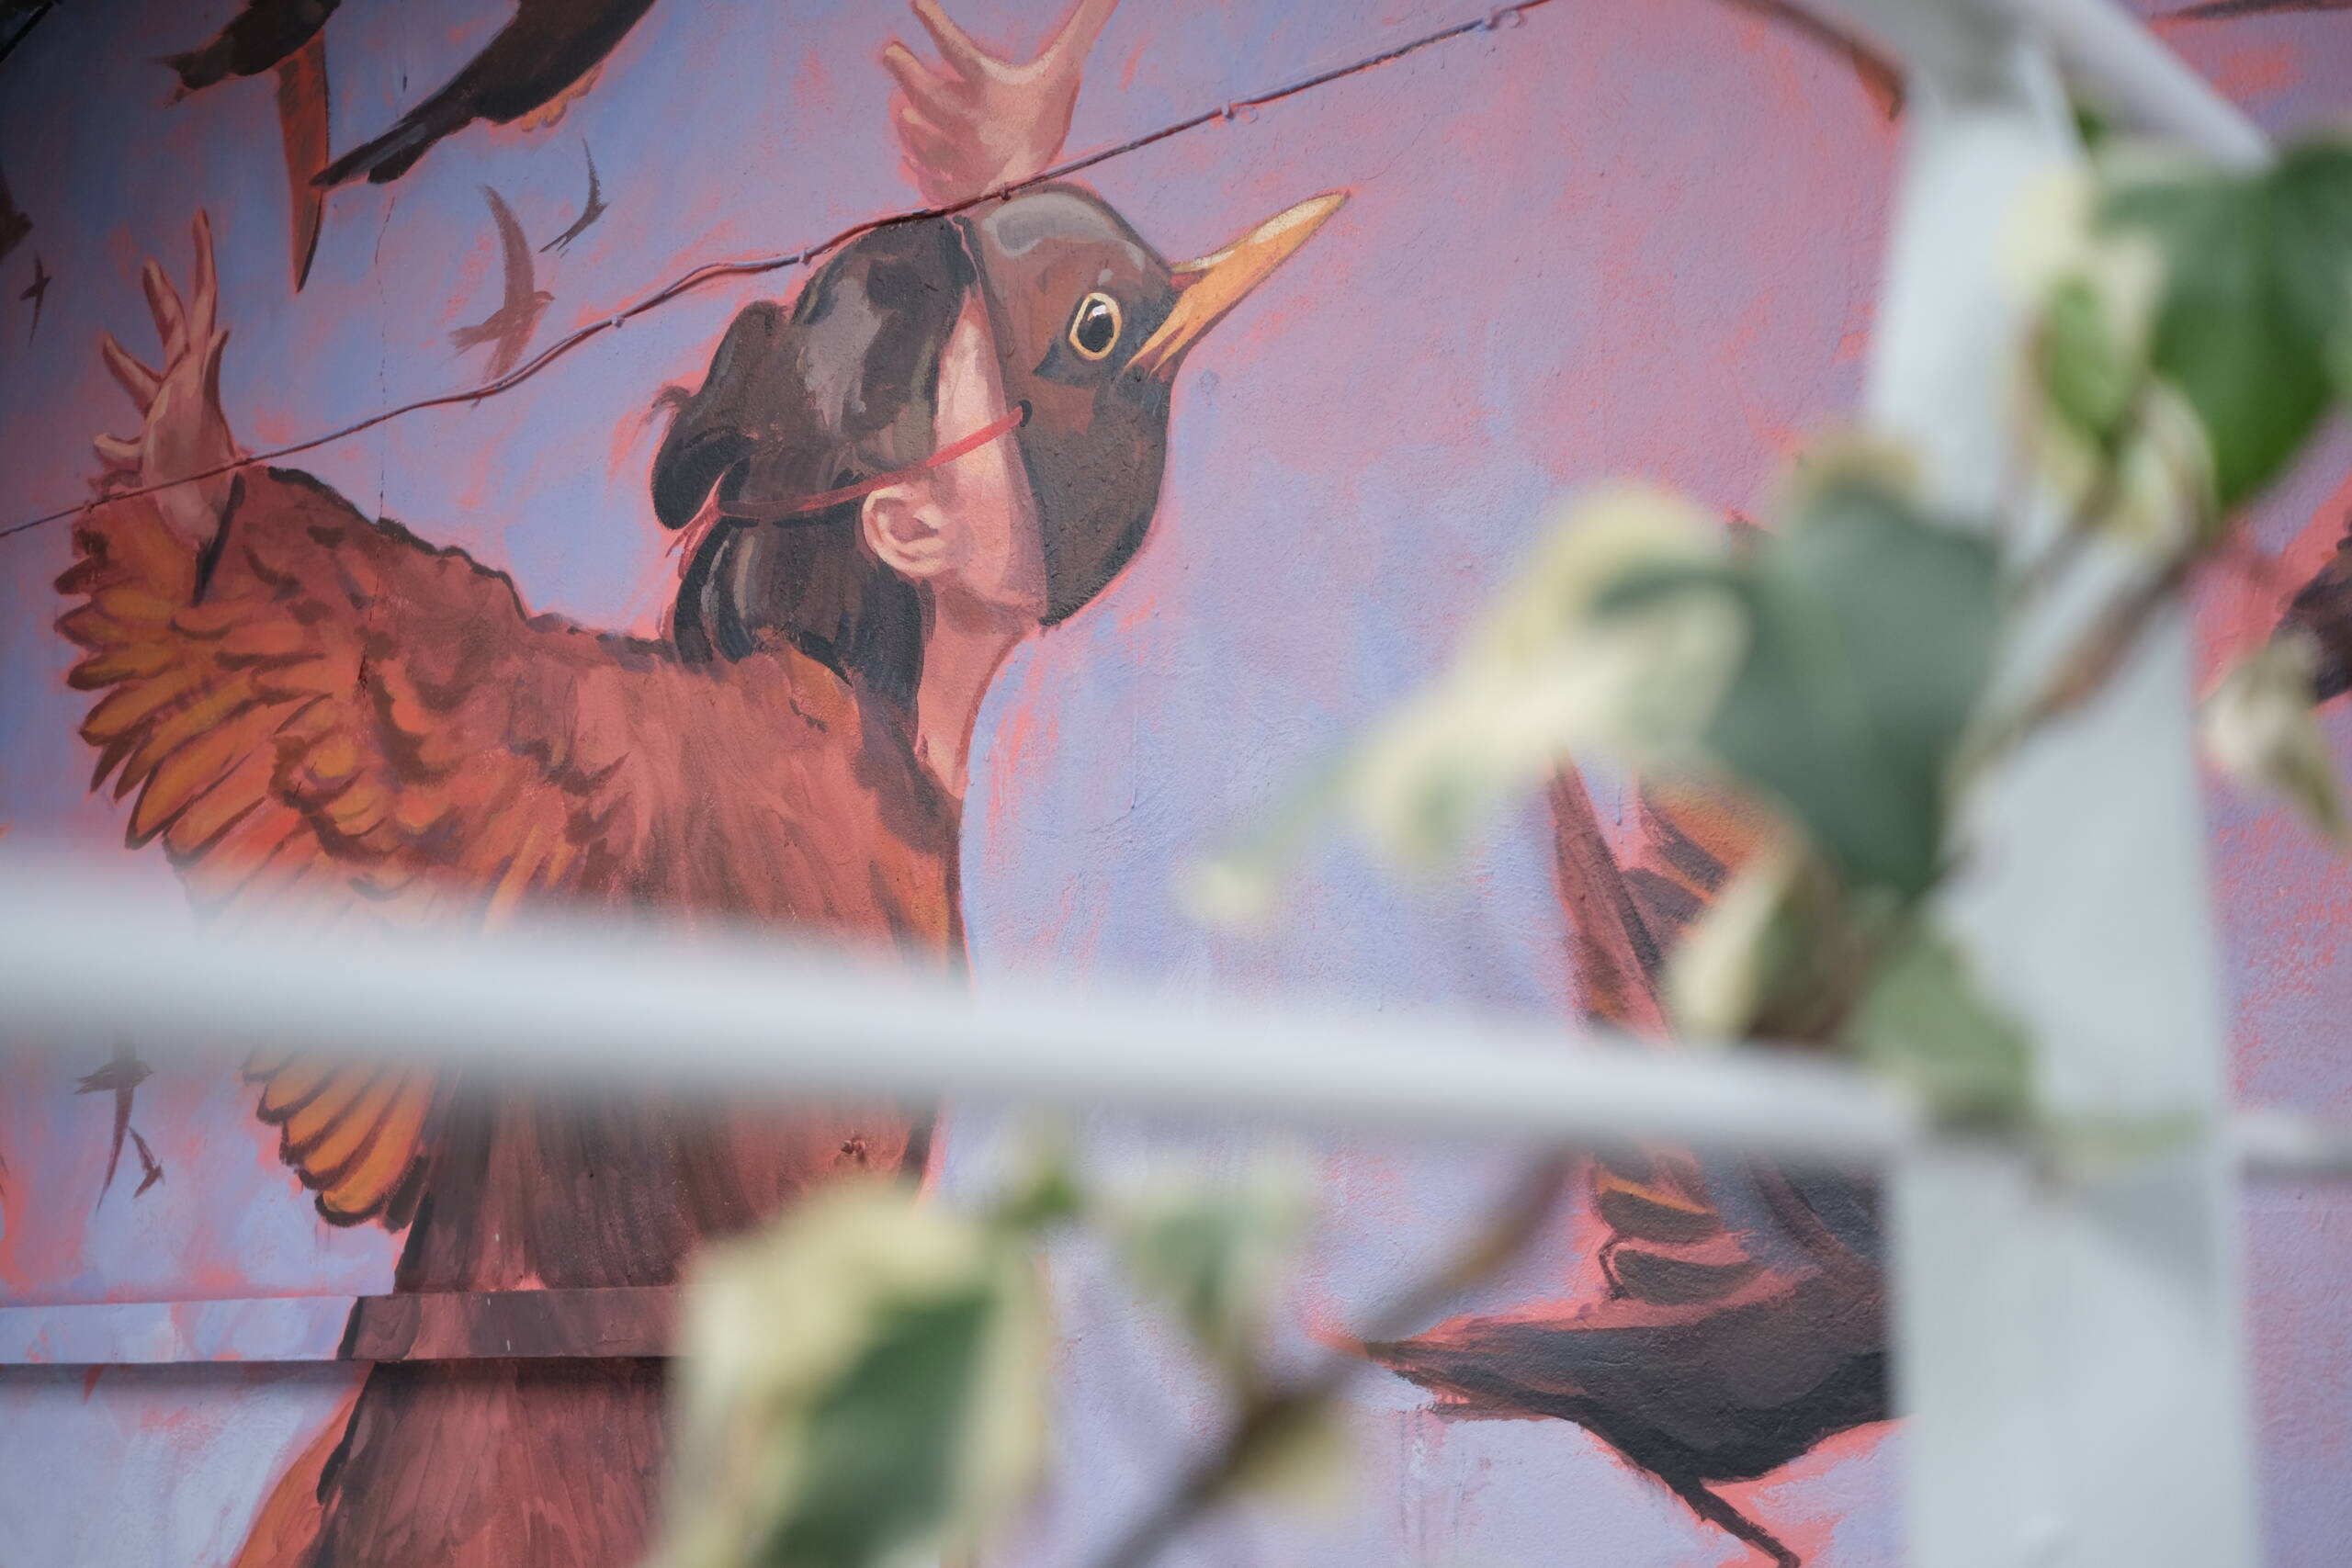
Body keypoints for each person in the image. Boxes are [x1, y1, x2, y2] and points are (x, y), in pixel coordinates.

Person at [55, 3, 1339, 1564]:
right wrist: (232, 525)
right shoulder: (733, 762)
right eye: (1076, 353)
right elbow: (477, 686)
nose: (1123, 373)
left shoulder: (878, 801)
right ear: (905, 528)